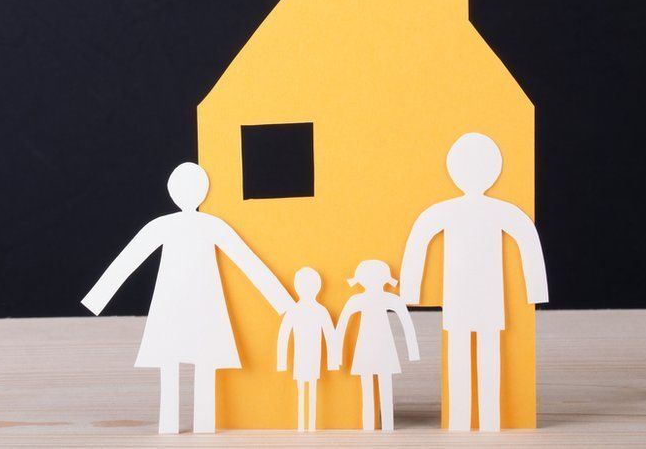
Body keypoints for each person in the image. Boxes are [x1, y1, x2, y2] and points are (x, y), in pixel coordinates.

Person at [81, 162, 292, 434]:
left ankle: (179, 423)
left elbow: (128, 260)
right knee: (198, 360)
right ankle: (196, 424)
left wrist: (98, 298)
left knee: (177, 360)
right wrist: (284, 302)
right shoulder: (210, 225)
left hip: (182, 302)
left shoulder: (166, 225)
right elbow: (247, 261)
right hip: (194, 302)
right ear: (203, 192)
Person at [399, 133, 548, 431]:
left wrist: (536, 289)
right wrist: (409, 290)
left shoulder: (459, 211)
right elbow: (419, 240)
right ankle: (464, 421)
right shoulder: (488, 211)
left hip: (485, 299)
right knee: (469, 357)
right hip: (466, 298)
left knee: (480, 357)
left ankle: (482, 421)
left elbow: (528, 240)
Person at [332, 260, 419, 431]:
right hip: (369, 349)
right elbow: (341, 327)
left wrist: (413, 352)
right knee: (375, 388)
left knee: (378, 388)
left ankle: (382, 426)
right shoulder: (365, 300)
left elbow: (407, 324)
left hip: (379, 348)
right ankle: (373, 426)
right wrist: (335, 357)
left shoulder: (380, 299)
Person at [276, 267, 337, 432]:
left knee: (312, 390)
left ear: (317, 287)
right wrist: (281, 362)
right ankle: (302, 424)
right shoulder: (294, 311)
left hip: (313, 357)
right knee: (302, 390)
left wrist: (333, 362)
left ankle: (310, 425)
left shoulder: (320, 311)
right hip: (300, 357)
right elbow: (283, 336)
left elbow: (330, 337)